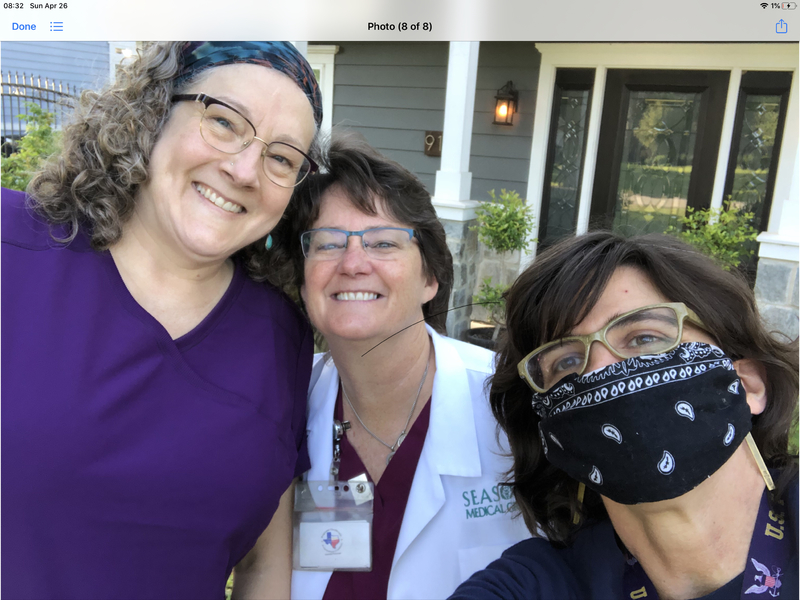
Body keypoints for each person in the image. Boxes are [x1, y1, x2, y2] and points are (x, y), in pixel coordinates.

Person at [2, 41, 322, 599]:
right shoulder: (13, 247)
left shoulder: (279, 335)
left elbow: (263, 566)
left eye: (282, 158)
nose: (245, 169)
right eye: (224, 122)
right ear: (151, 115)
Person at [252, 131, 529, 599]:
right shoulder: (280, 404)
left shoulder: (515, 405)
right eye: (327, 243)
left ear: (431, 278)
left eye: (383, 243)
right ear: (301, 283)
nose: (353, 262)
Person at [450, 232, 798, 600]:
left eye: (644, 338)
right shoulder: (535, 584)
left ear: (748, 384)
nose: (598, 372)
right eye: (566, 363)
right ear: (553, 434)